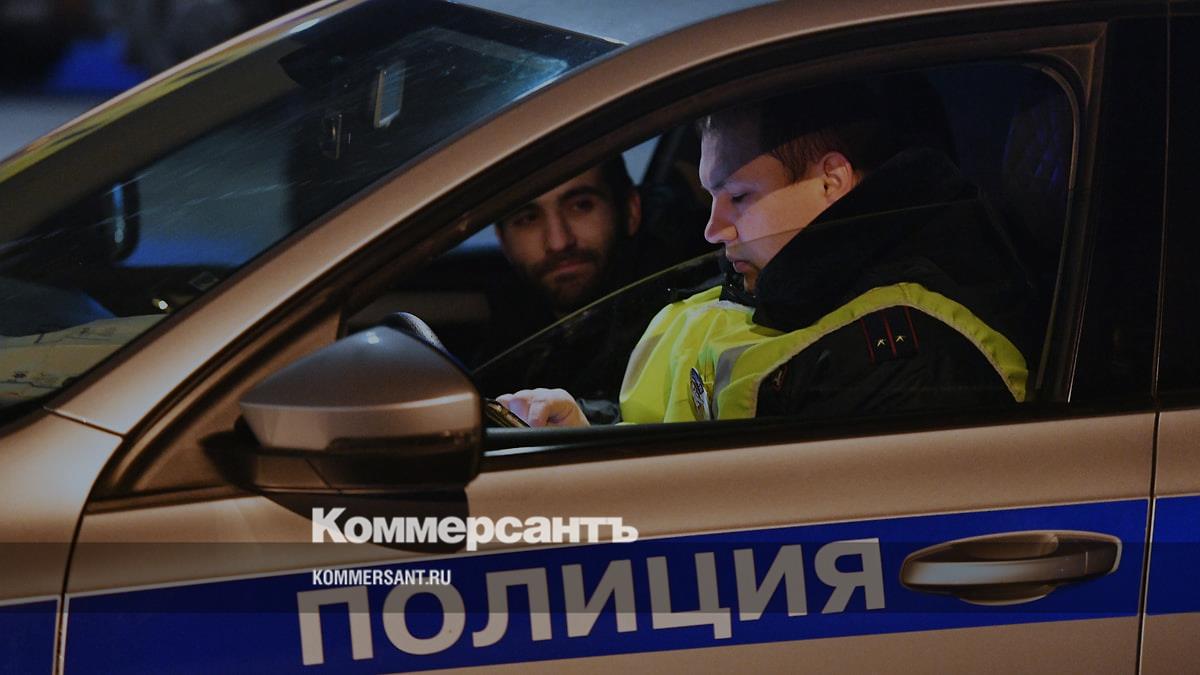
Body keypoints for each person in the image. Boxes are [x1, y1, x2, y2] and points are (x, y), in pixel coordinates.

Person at [498, 82, 1034, 427]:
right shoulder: (776, 287)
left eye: (738, 196)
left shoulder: (902, 356)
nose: (714, 229)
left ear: (831, 181)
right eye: (712, 197)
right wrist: (586, 429)